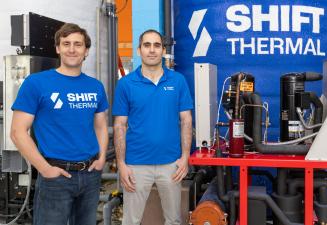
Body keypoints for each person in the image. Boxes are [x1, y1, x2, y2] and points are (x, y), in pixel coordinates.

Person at [10, 23, 108, 225]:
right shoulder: (36, 83)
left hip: (90, 175)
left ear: (86, 50)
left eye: (78, 44)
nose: (72, 49)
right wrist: (45, 169)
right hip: (56, 177)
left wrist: (102, 158)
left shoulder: (95, 86)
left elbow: (100, 125)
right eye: (66, 44)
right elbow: (18, 132)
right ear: (58, 48)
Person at [113, 29, 193, 225]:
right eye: (147, 45)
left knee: (173, 220)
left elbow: (187, 120)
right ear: (139, 50)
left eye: (157, 45)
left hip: (171, 164)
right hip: (136, 164)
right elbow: (119, 126)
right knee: (131, 220)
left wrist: (185, 157)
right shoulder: (126, 84)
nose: (152, 50)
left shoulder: (177, 81)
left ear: (162, 50)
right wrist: (121, 164)